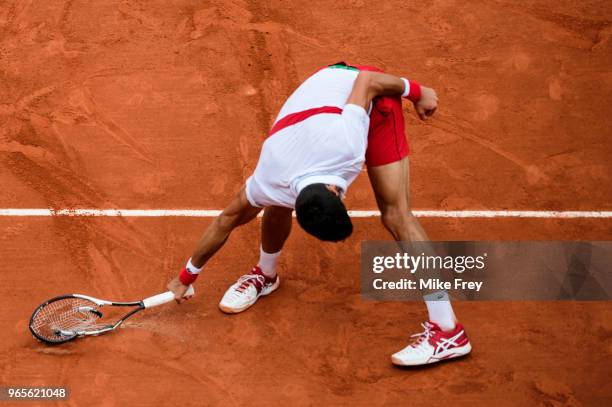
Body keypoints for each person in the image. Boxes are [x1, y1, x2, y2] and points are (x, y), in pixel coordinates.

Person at [167, 62, 471, 366]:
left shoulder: (346, 143)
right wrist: (185, 276)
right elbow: (227, 219)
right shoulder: (273, 179)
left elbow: (367, 81)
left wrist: (416, 92)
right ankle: (266, 274)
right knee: (276, 205)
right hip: (319, 114)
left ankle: (448, 331)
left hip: (369, 97)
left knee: (397, 216)